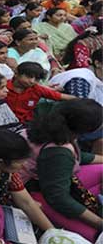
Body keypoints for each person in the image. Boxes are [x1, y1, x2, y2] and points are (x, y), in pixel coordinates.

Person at [22, 99, 103, 242]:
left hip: (49, 179)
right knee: (96, 236)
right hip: (36, 193)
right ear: (86, 128)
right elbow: (58, 198)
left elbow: (76, 156)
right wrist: (99, 223)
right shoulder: (58, 151)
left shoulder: (51, 128)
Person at [6, 61, 75, 123]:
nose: (32, 81)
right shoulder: (2, 86)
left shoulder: (37, 89)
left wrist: (82, 100)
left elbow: (61, 96)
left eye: (36, 79)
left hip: (25, 124)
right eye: (29, 76)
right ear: (16, 74)